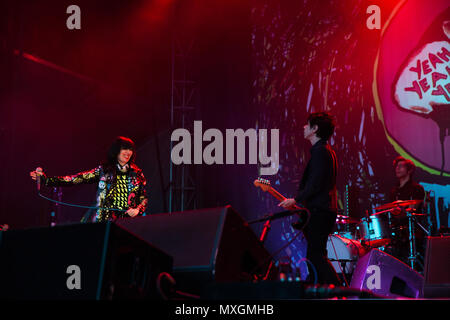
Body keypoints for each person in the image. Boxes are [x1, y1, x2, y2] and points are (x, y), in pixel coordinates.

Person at [279, 112, 340, 285]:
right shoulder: (324, 151)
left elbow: (315, 185)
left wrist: (296, 200)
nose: (304, 127)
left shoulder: (321, 152)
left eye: (307, 125)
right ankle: (319, 291)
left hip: (320, 212)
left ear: (315, 129)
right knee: (315, 256)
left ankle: (340, 291)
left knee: (316, 256)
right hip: (321, 211)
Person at [30, 136, 148, 222]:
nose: (128, 152)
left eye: (130, 149)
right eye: (124, 149)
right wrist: (47, 180)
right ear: (116, 151)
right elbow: (76, 179)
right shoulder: (104, 170)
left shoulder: (136, 173)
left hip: (128, 223)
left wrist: (137, 210)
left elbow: (143, 198)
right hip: (103, 222)